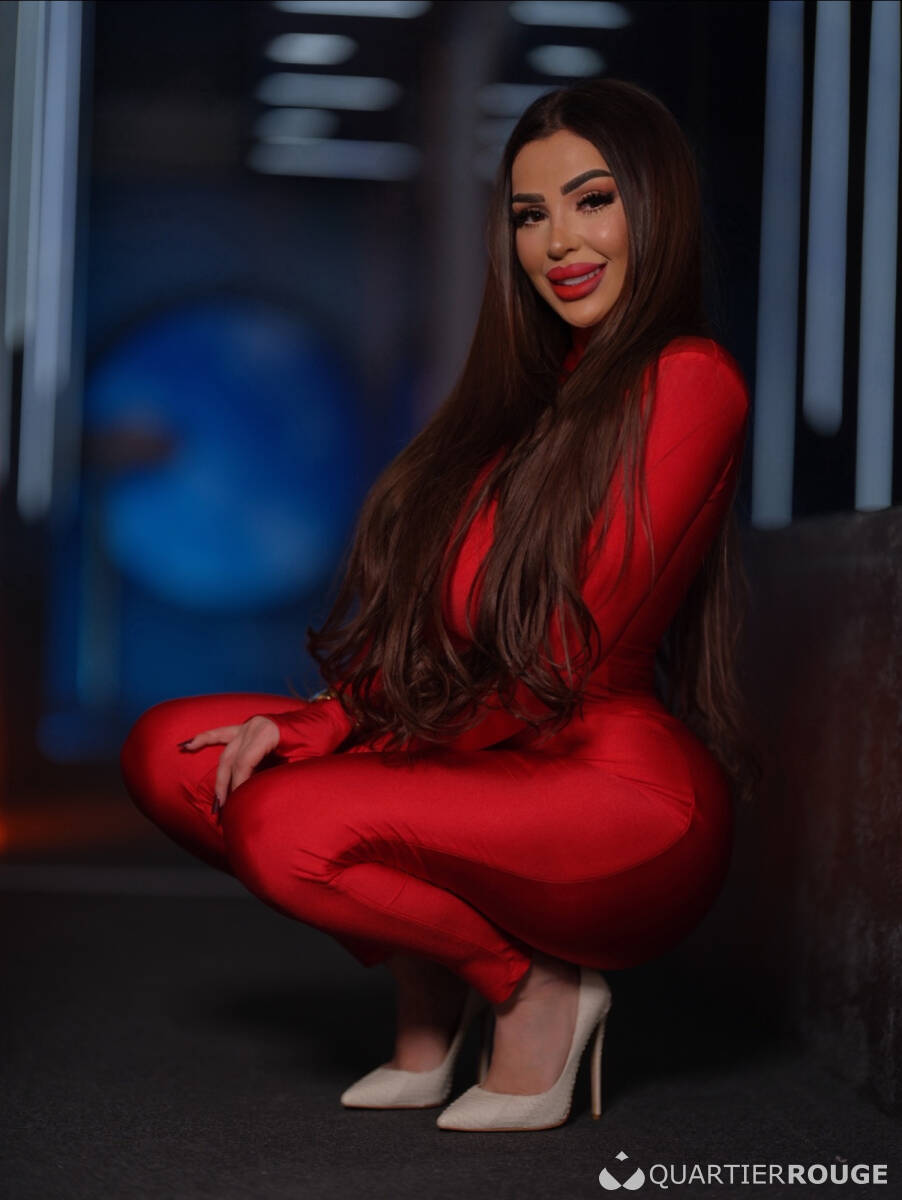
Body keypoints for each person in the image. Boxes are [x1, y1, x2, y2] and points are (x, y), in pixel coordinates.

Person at [120, 78, 755, 1133]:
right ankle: (440, 960)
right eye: (530, 214)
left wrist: (341, 736)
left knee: (281, 818)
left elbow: (560, 652)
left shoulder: (688, 377)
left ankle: (530, 988)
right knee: (173, 753)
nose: (559, 241)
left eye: (593, 200)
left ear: (657, 206)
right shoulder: (519, 408)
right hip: (486, 753)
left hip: (618, 795)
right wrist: (330, 721)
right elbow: (437, 637)